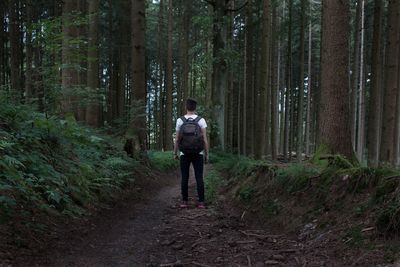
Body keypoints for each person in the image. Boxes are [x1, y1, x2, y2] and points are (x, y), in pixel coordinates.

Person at [174, 98, 209, 209]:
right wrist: (207, 154)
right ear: (195, 108)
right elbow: (204, 140)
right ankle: (201, 202)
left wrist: (175, 153)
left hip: (184, 153)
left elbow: (177, 139)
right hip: (198, 152)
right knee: (199, 177)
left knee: (185, 177)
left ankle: (184, 201)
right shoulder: (201, 120)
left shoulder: (180, 120)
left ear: (186, 107)